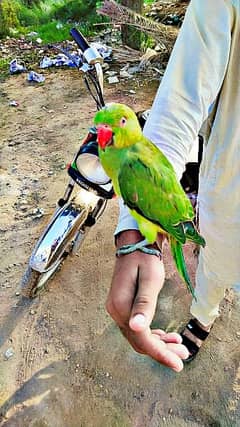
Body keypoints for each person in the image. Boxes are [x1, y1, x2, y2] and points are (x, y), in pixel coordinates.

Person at [105, 0, 240, 372]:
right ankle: (202, 319)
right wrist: (135, 235)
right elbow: (180, 101)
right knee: (211, 275)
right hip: (228, 219)